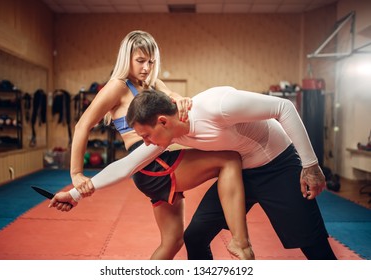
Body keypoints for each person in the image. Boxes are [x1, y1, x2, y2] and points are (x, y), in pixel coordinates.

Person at [49, 30, 254, 260]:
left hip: (152, 164)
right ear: (126, 59)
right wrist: (76, 174)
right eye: (140, 61)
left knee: (173, 241)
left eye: (151, 61)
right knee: (229, 160)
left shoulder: (151, 83)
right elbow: (82, 125)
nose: (146, 67)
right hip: (151, 164)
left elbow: (171, 95)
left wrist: (181, 99)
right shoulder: (118, 86)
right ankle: (240, 242)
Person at [123, 88, 337, 260]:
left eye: (147, 135)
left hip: (278, 166)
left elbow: (284, 106)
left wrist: (310, 164)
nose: (146, 142)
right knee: (195, 237)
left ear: (162, 121)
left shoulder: (217, 105)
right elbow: (130, 162)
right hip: (239, 173)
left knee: (314, 246)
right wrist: (92, 183)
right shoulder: (171, 134)